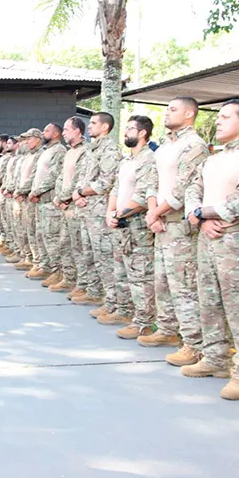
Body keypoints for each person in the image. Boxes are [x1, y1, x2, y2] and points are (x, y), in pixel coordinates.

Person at [183, 100, 239, 400]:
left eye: (224, 117)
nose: (218, 121)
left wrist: (203, 214)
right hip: (208, 237)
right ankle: (215, 358)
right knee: (208, 302)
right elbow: (192, 189)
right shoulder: (212, 159)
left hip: (236, 242)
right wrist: (198, 217)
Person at [142, 97, 209, 364]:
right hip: (160, 221)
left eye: (172, 109)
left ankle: (193, 343)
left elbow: (182, 188)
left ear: (190, 113)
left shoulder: (194, 145)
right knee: (162, 281)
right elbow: (152, 182)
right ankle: (168, 329)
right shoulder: (166, 145)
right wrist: (152, 211)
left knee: (183, 285)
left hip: (180, 225)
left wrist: (155, 213)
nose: (167, 113)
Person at [100, 115, 157, 340]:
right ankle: (124, 312)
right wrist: (110, 213)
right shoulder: (126, 161)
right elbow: (115, 189)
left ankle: (143, 322)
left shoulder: (148, 159)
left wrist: (119, 214)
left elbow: (143, 196)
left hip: (137, 227)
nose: (126, 132)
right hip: (120, 224)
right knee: (121, 271)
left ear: (143, 133)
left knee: (140, 275)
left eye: (131, 129)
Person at [71, 112, 121, 308]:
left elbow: (107, 182)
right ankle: (93, 292)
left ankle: (113, 303)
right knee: (89, 254)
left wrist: (81, 192)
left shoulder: (109, 149)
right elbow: (82, 177)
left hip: (100, 211)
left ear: (105, 127)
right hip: (86, 209)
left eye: (93, 123)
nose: (89, 126)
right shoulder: (91, 149)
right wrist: (77, 194)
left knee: (104, 257)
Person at [51, 117, 88, 294]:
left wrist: (64, 198)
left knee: (79, 248)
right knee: (64, 244)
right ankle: (68, 278)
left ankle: (83, 284)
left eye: (66, 130)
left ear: (77, 131)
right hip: (64, 205)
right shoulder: (69, 152)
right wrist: (58, 198)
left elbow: (79, 180)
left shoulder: (85, 151)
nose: (63, 133)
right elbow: (60, 177)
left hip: (75, 206)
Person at [28, 123, 66, 284]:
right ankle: (45, 266)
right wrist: (33, 190)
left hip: (49, 200)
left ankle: (57, 271)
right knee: (41, 235)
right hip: (39, 200)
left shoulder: (59, 150)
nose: (44, 133)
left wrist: (36, 191)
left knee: (52, 239)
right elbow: (37, 174)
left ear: (56, 134)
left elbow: (53, 175)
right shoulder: (46, 151)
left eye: (47, 130)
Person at [14, 129, 45, 272]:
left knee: (33, 231)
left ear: (38, 139)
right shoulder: (28, 156)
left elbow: (33, 177)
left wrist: (21, 191)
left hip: (31, 197)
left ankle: (36, 261)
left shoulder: (40, 154)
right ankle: (28, 257)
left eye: (29, 139)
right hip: (23, 196)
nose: (26, 142)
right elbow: (19, 176)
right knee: (25, 229)